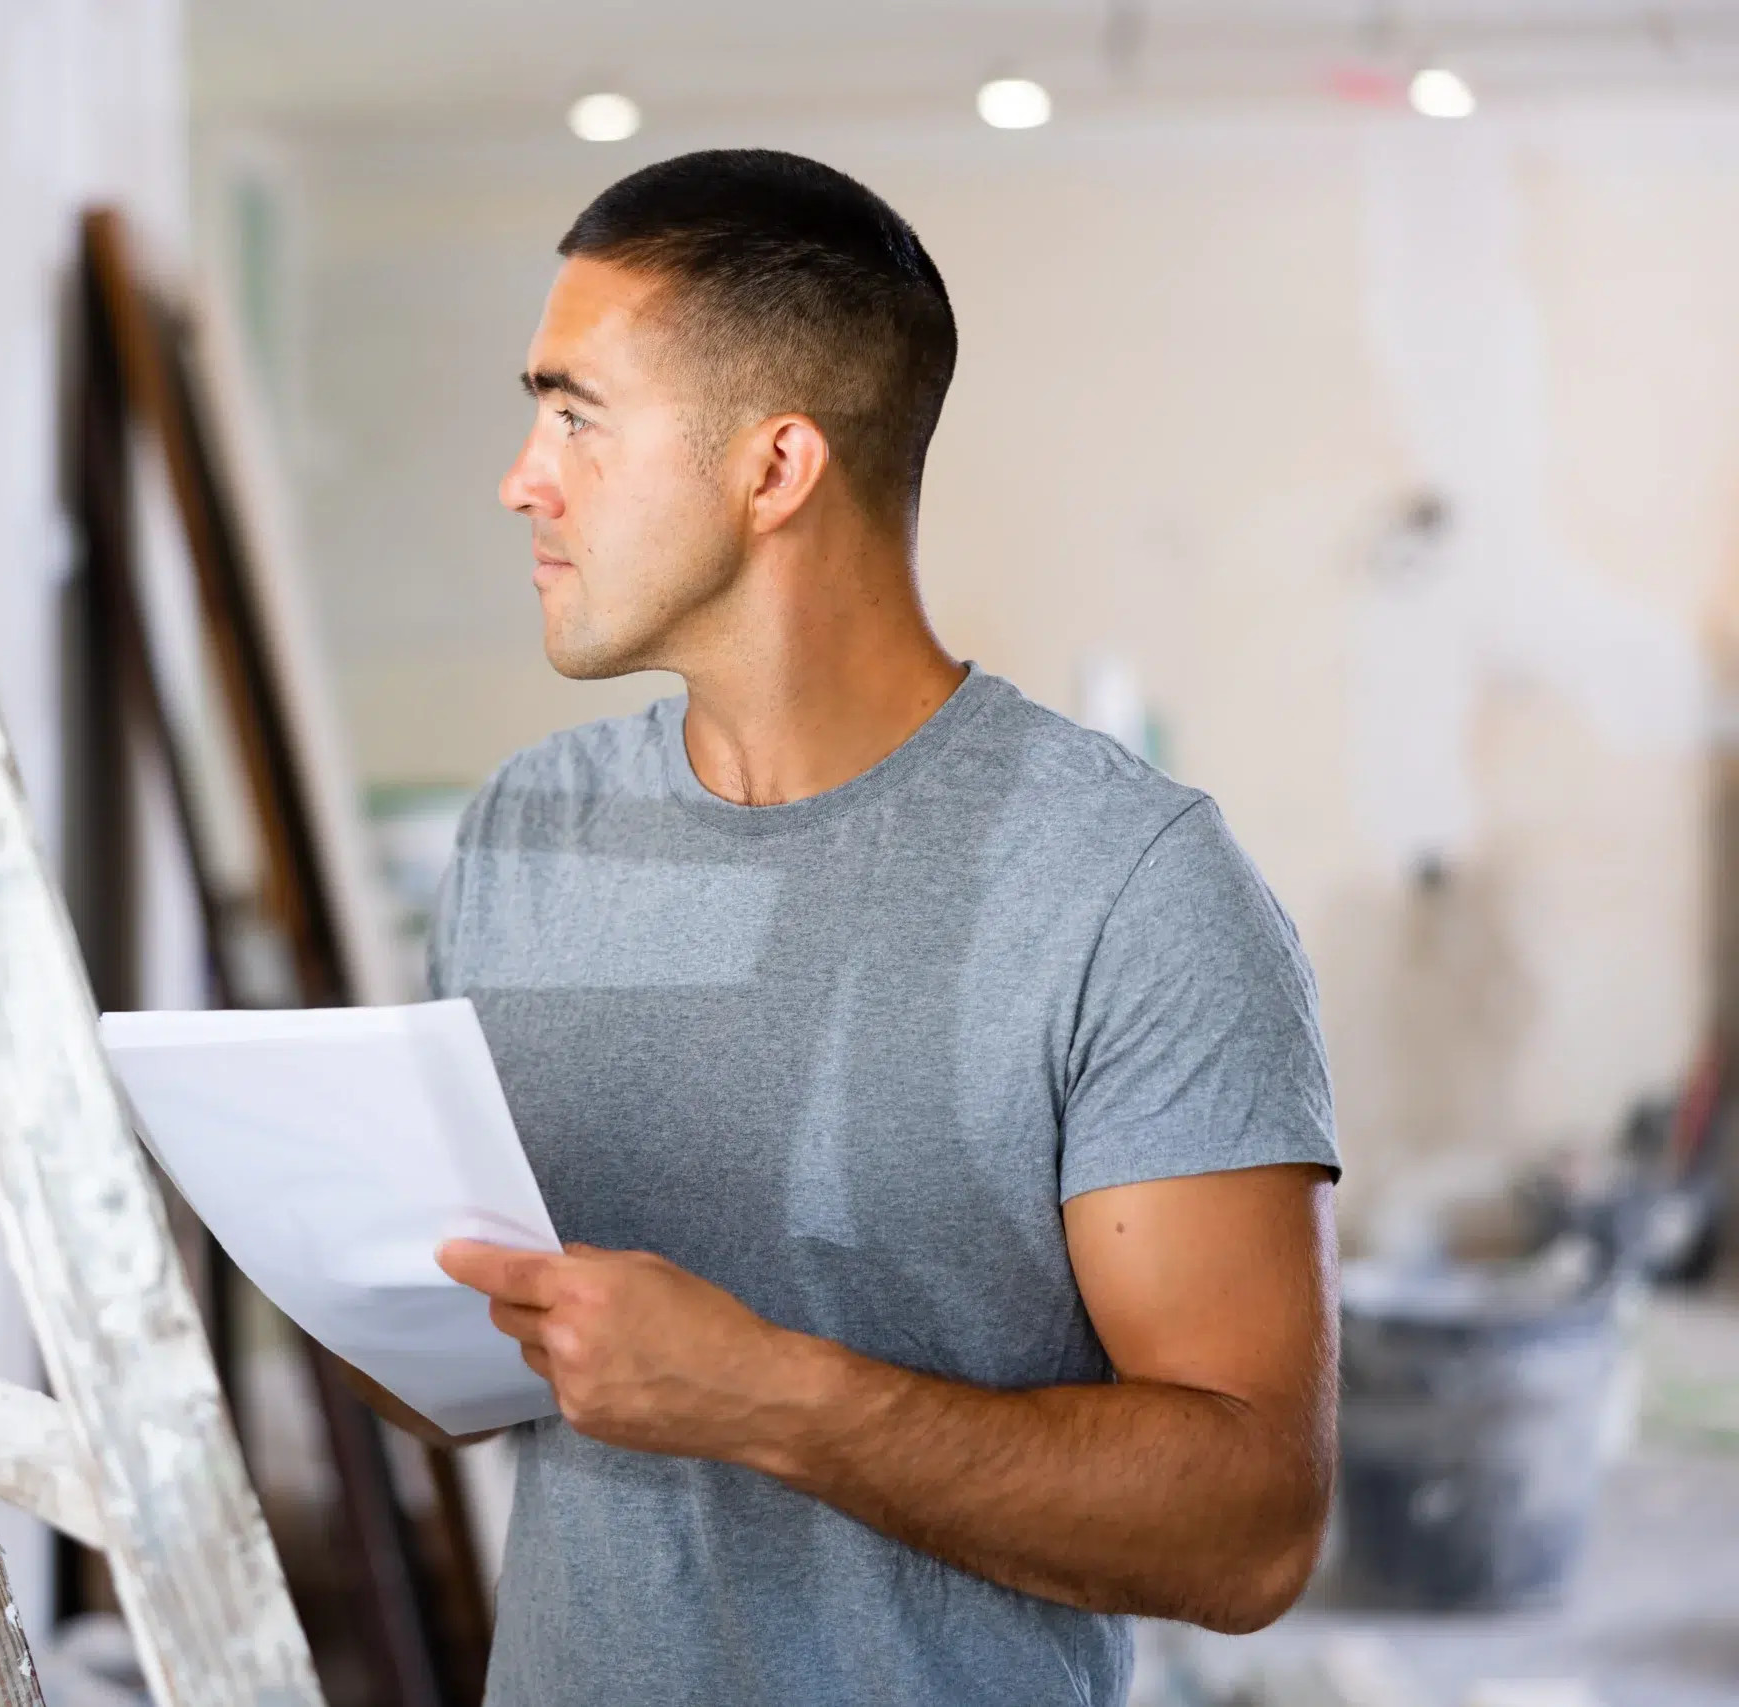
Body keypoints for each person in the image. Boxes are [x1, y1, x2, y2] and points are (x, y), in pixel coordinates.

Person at [355, 149, 1340, 1705]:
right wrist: (356, 1284)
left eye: (575, 415)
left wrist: (769, 1401)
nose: (521, 477)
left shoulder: (1131, 889)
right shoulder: (520, 835)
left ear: (774, 468)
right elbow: (467, 1385)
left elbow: (1252, 1528)